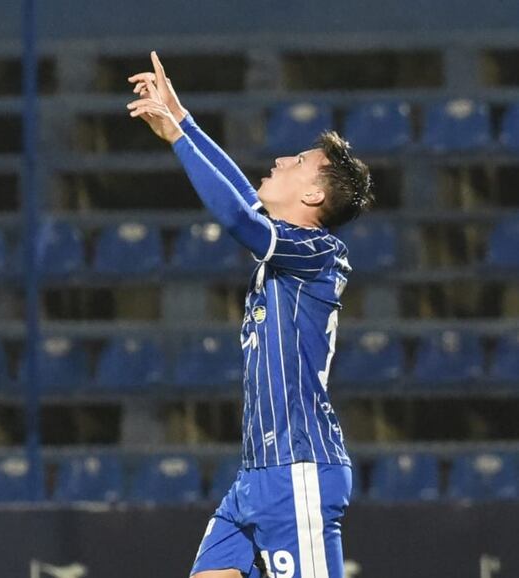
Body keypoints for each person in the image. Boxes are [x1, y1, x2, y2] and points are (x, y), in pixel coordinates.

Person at [128, 52, 374, 578]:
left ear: (312, 194)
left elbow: (240, 216)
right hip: (256, 477)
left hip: (298, 471)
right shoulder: (289, 248)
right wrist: (184, 119)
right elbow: (244, 201)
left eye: (299, 163)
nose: (282, 160)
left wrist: (176, 136)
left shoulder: (320, 252)